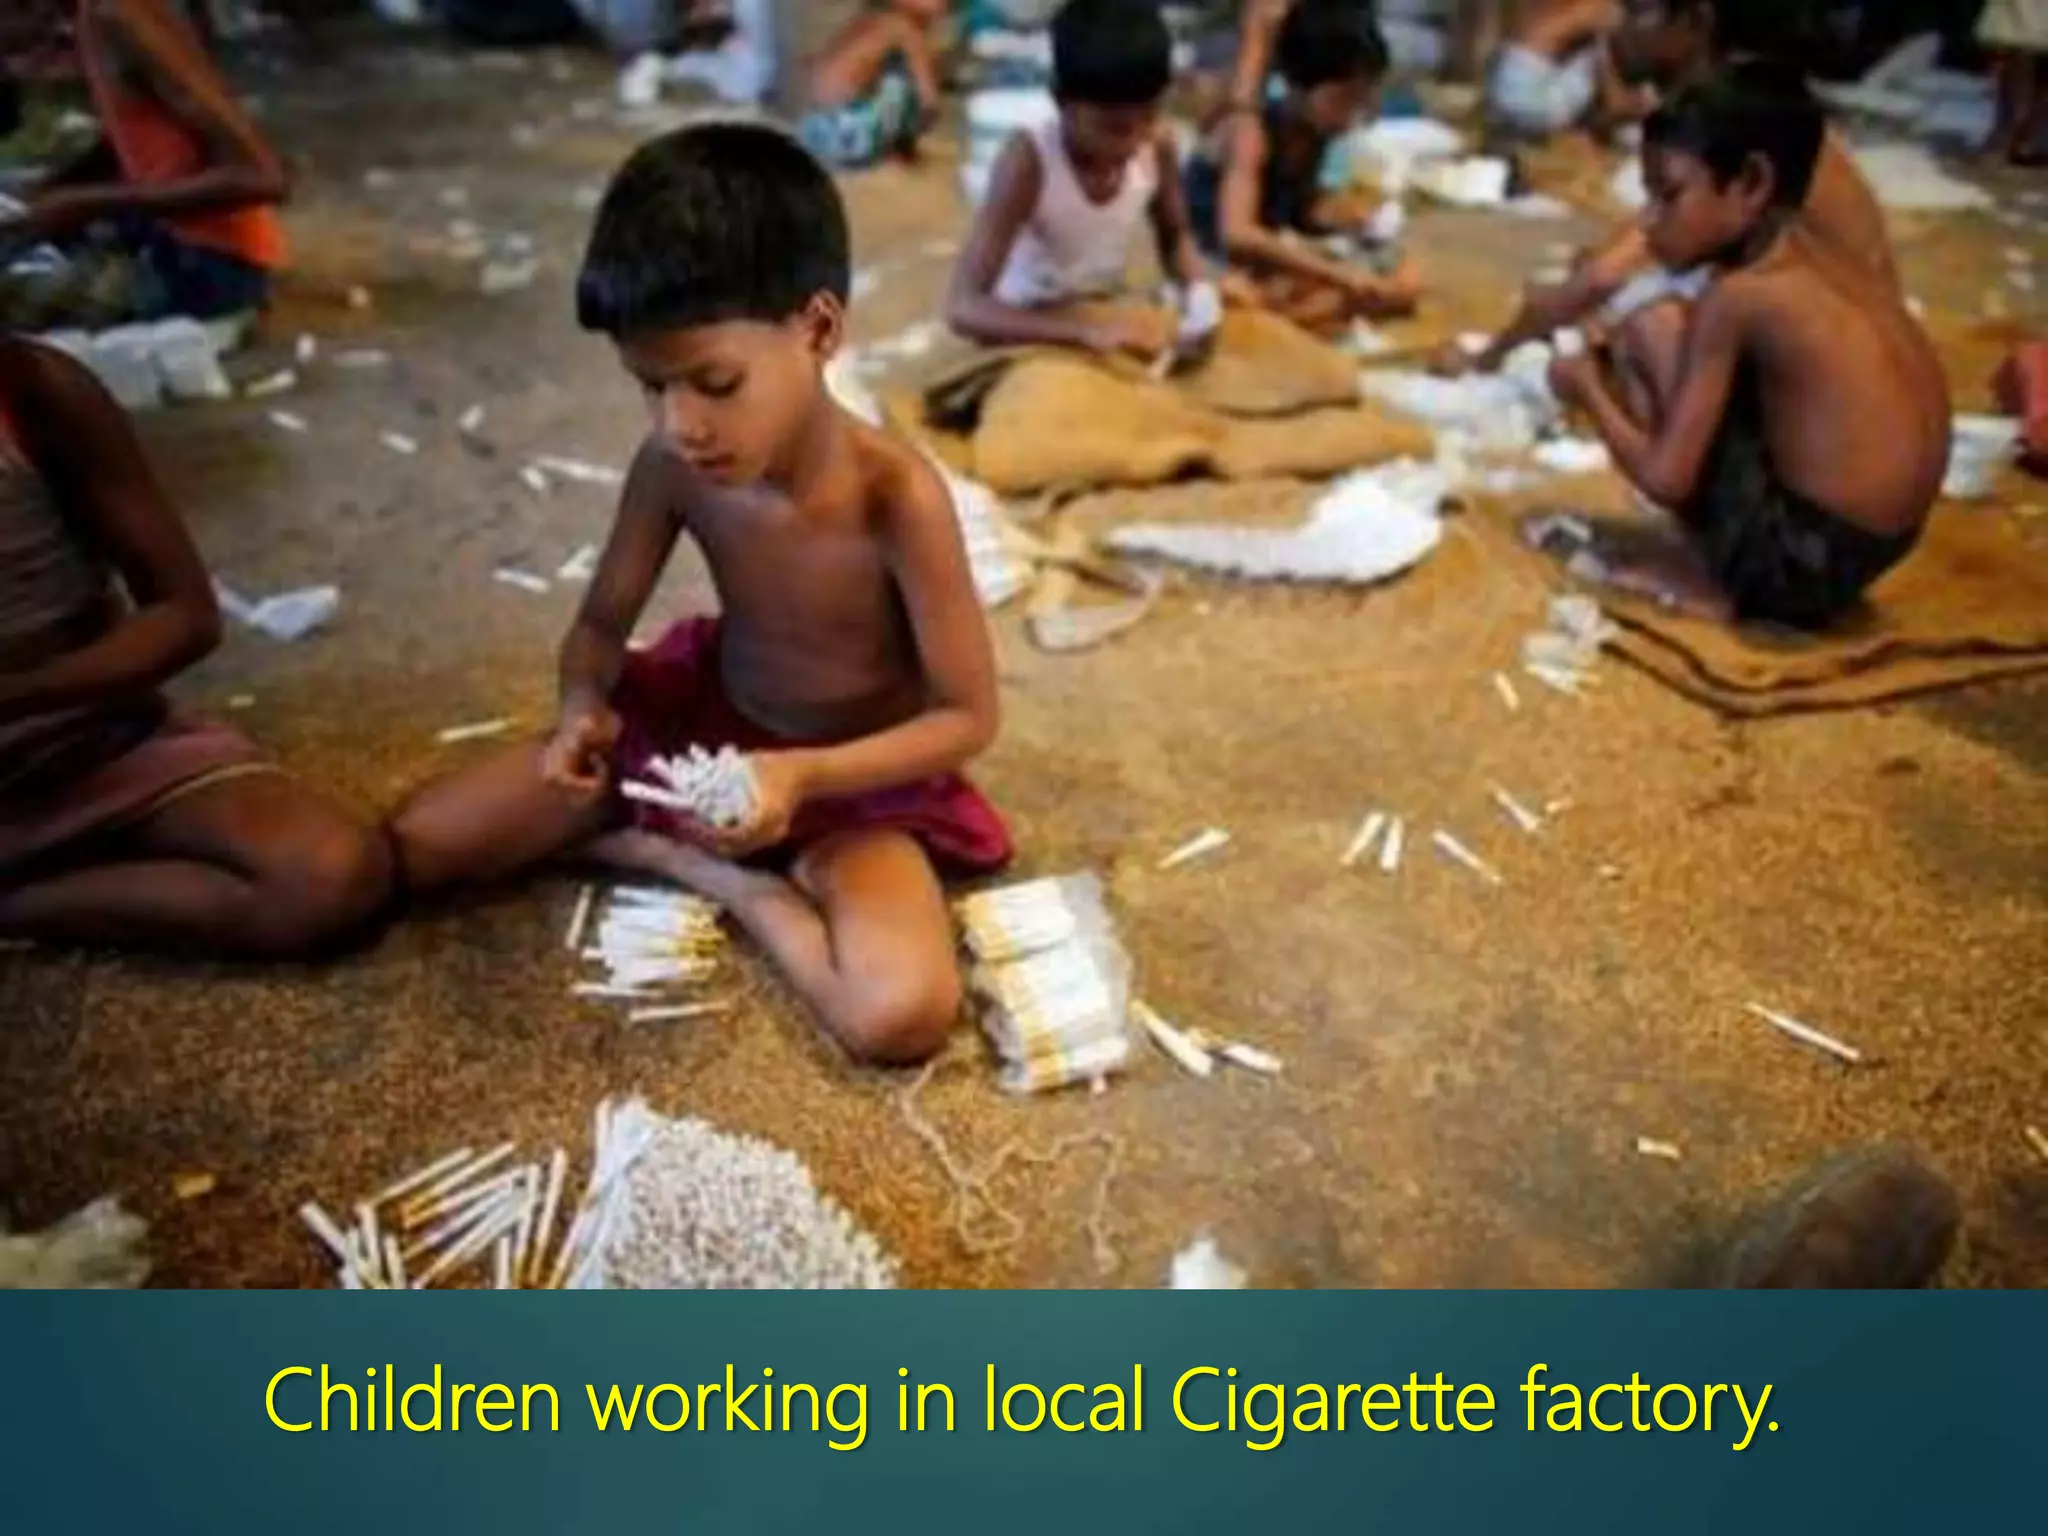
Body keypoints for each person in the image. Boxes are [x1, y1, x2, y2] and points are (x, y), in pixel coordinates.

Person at [388, 123, 1012, 1067]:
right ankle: (677, 835)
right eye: (650, 388)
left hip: (851, 778)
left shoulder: (898, 496)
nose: (682, 424)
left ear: (820, 329)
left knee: (902, 1015)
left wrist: (799, 779)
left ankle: (733, 883)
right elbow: (601, 625)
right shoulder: (672, 466)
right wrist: (580, 709)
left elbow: (967, 717)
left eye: (715, 383)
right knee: (421, 846)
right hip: (701, 739)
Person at [0, 331, 391, 955]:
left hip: (83, 741)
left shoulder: (32, 389)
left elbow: (184, 617)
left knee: (327, 874)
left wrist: (21, 694)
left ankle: (19, 904)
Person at [1543, 63, 1948, 628]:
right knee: (1666, 334)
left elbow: (1666, 478)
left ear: (1753, 183)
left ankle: (1714, 579)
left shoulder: (1739, 297)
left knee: (1650, 329)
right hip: (1884, 544)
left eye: (1669, 196)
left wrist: (1586, 385)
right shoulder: (1822, 251)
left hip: (1803, 568)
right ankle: (1742, 558)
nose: (1652, 225)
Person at [1441, 0, 1896, 377]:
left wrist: (1486, 357)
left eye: (1639, 12)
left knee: (1638, 321)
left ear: (1695, 23)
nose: (1621, 29)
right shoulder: (1741, 101)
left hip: (1841, 354)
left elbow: (1602, 276)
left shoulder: (1734, 118)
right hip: (1840, 328)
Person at [947, 0, 1238, 362]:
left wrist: (1199, 292)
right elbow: (964, 307)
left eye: (1146, 119)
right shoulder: (1030, 160)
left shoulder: (1157, 145)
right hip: (1025, 328)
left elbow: (1175, 236)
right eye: (1111, 129)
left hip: (1101, 312)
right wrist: (1079, 334)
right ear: (1060, 101)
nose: (1132, 141)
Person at [0, 0, 287, 331]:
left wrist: (83, 203)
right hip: (163, 236)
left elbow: (261, 179)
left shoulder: (119, 17)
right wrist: (56, 187)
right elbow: (141, 134)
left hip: (208, 268)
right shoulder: (94, 19)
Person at [1183, 0, 1420, 334]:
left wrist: (1351, 219)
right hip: (1212, 262)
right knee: (1242, 296)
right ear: (1299, 86)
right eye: (1344, 99)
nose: (1352, 115)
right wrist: (1334, 273)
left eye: (1360, 101)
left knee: (1404, 278)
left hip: (1270, 262)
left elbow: (1299, 208)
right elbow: (1237, 233)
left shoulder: (1315, 132)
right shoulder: (1250, 131)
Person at [796, 0, 946, 171]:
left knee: (892, 73)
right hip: (845, 137)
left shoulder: (869, 19)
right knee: (902, 80)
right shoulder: (902, 27)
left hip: (813, 130)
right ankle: (894, 152)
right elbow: (929, 99)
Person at [1485, 0, 1652, 141]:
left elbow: (1613, 101)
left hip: (1507, 95)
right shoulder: (1601, 9)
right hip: (1531, 99)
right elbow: (1614, 102)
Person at [1978, 1, 2048, 166]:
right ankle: (2006, 142)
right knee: (2018, 73)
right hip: (2018, 28)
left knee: (2034, 84)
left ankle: (2023, 141)